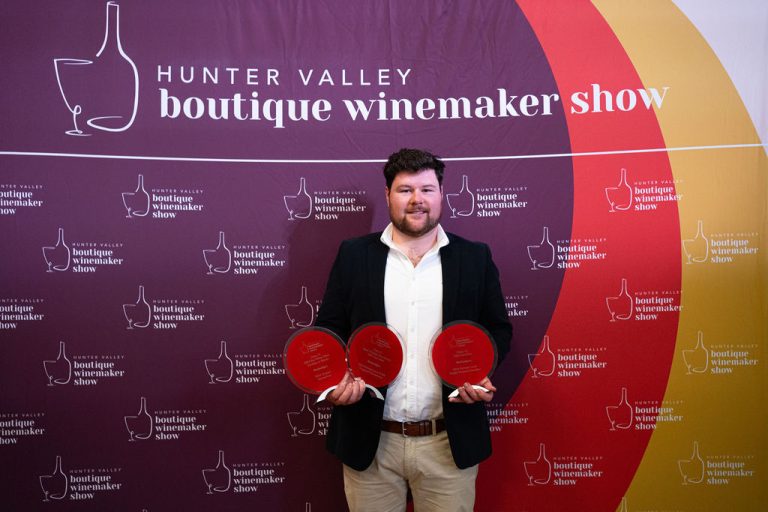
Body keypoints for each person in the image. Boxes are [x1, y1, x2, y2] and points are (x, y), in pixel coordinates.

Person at [315, 148, 512, 512]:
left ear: (441, 194)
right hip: (370, 442)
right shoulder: (354, 255)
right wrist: (337, 377)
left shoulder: (474, 257)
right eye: (405, 190)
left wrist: (480, 370)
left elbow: (498, 329)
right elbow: (329, 329)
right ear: (388, 194)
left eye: (427, 189)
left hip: (448, 442)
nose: (416, 200)